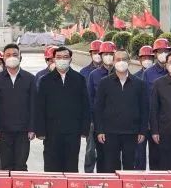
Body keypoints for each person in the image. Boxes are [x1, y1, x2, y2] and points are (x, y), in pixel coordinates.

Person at [34, 46, 90, 172]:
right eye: (58, 57)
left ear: (70, 59)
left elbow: (85, 105)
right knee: (51, 166)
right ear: (54, 59)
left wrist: (84, 129)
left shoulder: (79, 79)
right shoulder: (45, 80)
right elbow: (40, 107)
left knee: (71, 165)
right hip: (51, 132)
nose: (62, 60)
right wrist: (40, 131)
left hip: (73, 131)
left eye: (65, 57)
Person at [93, 49, 148, 172]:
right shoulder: (104, 83)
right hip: (110, 133)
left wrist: (142, 131)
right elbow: (98, 108)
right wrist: (99, 130)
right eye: (118, 59)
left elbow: (144, 109)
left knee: (130, 166)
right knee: (111, 166)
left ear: (129, 62)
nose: (121, 62)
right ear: (113, 62)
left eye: (124, 59)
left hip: (132, 133)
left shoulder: (139, 84)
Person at [0, 43, 35, 171]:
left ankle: (20, 184)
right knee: (6, 165)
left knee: (21, 165)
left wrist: (32, 128)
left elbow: (33, 105)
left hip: (23, 131)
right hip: (3, 131)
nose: (12, 57)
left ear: (20, 57)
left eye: (15, 54)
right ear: (4, 58)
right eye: (8, 55)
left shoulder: (30, 79)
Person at [142, 37, 171, 169]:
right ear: (155, 54)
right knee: (155, 157)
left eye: (166, 51)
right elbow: (144, 99)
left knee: (170, 157)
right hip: (154, 122)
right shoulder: (148, 73)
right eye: (160, 51)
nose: (163, 54)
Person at [85, 41, 116, 173]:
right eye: (105, 54)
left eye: (111, 54)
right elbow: (90, 99)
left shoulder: (120, 72)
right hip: (97, 121)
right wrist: (92, 120)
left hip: (116, 122)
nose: (108, 57)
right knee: (94, 152)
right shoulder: (94, 75)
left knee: (113, 155)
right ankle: (93, 176)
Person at [79, 39, 103, 174]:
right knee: (90, 150)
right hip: (90, 117)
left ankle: (103, 174)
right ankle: (88, 173)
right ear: (90, 54)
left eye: (99, 52)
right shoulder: (84, 72)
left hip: (106, 118)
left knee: (105, 150)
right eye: (95, 52)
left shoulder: (111, 71)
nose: (97, 55)